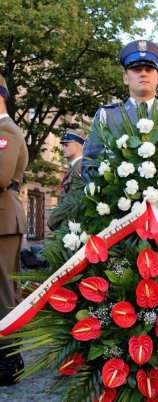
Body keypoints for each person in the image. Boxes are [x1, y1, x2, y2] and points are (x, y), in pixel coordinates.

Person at [82, 39, 158, 177]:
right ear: (125, 78)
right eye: (136, 69)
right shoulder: (107, 116)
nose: (143, 73)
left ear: (157, 78)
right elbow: (90, 163)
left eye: (149, 69)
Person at [0, 74, 28, 385]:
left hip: (3, 220)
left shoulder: (5, 130)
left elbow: (0, 177)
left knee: (3, 293)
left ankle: (9, 361)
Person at [47, 129, 86, 231]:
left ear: (78, 146)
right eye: (62, 145)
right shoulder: (76, 166)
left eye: (66, 145)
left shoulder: (80, 167)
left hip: (72, 225)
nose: (62, 148)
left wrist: (52, 221)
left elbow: (70, 200)